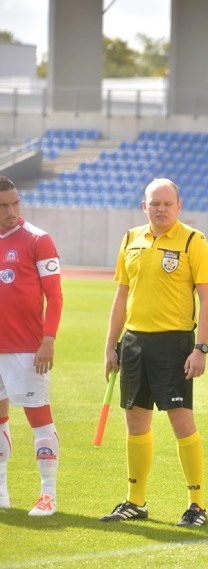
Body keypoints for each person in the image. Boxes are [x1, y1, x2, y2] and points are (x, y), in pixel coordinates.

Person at [100, 178, 208, 527]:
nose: (161, 209)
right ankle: (136, 500)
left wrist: (201, 348)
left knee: (181, 421)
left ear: (179, 207)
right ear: (144, 206)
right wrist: (111, 344)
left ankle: (197, 504)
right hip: (134, 343)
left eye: (167, 203)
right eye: (155, 203)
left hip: (174, 344)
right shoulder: (130, 239)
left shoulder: (194, 241)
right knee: (135, 422)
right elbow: (122, 295)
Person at [0, 175, 63, 516]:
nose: (11, 211)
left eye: (15, 203)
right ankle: (1, 493)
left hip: (26, 349)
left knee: (39, 419)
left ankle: (48, 496)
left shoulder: (38, 239)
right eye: (3, 205)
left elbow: (54, 295)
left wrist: (48, 340)